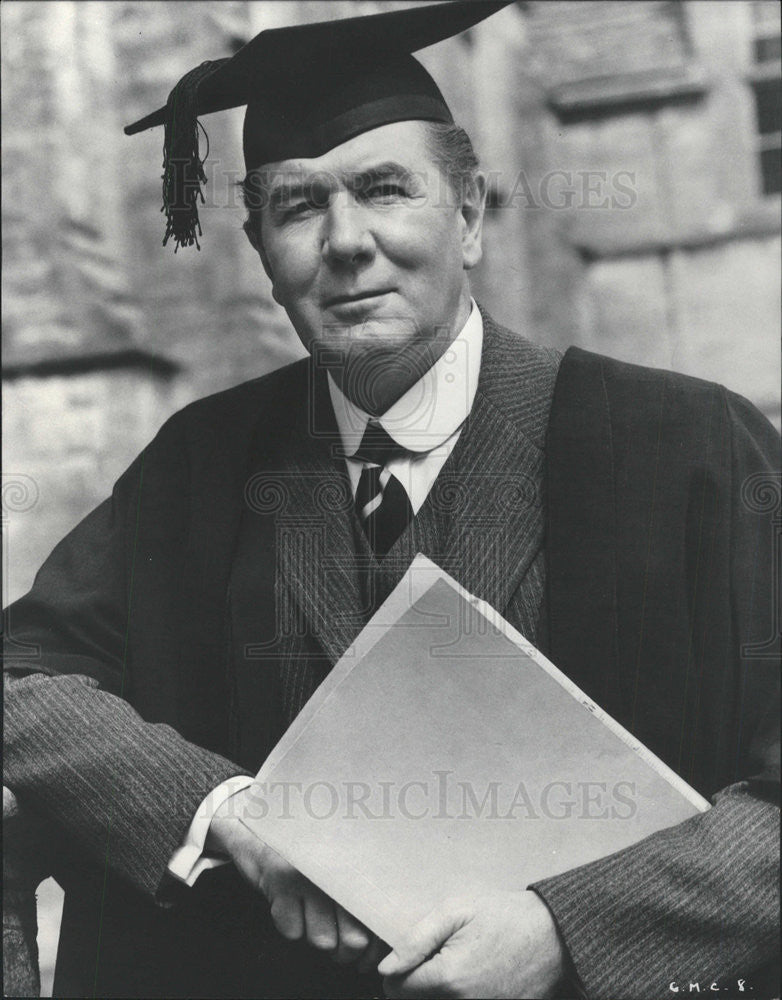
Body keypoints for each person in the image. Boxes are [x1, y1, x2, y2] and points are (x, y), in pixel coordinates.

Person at [4, 2, 779, 998]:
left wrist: (566, 927)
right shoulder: (198, 466)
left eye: (383, 190)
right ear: (257, 243)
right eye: (295, 207)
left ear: (467, 213)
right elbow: (21, 676)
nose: (344, 242)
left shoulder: (686, 449)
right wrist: (230, 811)